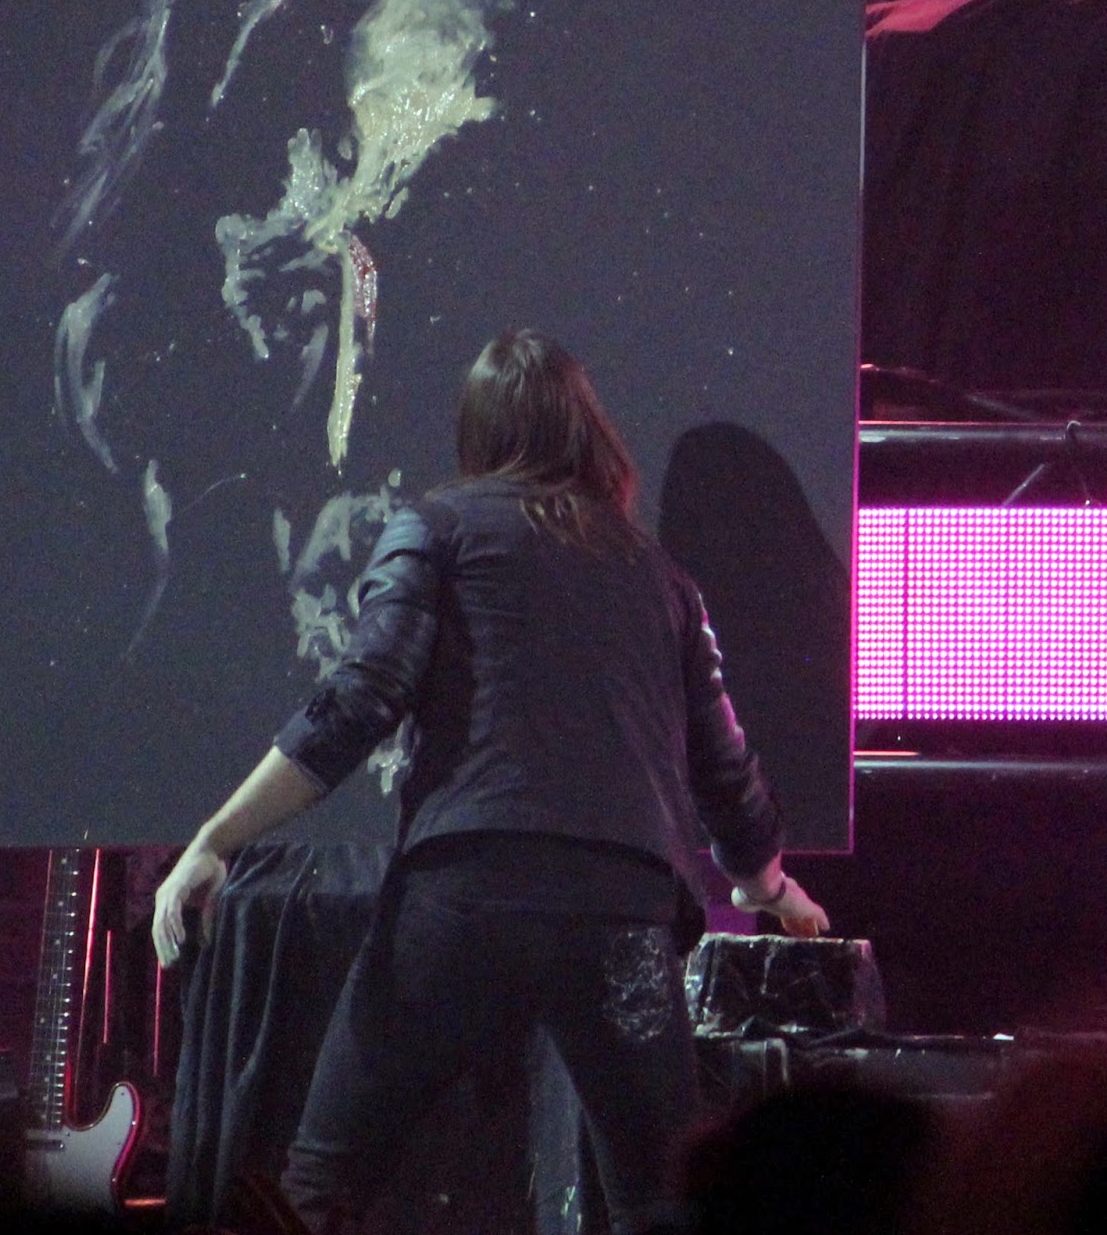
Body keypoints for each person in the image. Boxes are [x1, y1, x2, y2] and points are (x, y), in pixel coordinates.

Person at [153, 328, 829, 1235]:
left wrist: (214, 840)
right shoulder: (664, 580)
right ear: (589, 431)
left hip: (465, 897)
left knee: (321, 1182)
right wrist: (767, 885)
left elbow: (357, 702)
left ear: (476, 431)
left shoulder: (436, 529)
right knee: (662, 1201)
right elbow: (725, 767)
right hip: (620, 913)